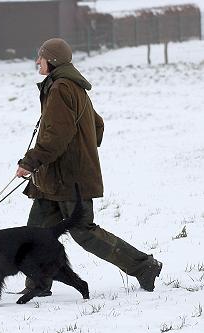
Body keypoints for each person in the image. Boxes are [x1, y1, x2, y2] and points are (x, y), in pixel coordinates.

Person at [16, 38, 162, 294]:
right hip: (54, 178)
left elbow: (56, 135)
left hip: (70, 178)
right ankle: (39, 284)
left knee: (83, 232)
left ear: (52, 60)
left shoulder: (62, 87)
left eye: (40, 57)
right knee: (36, 233)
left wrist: (31, 161)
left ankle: (143, 266)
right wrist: (81, 147)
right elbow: (97, 126)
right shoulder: (71, 86)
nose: (37, 61)